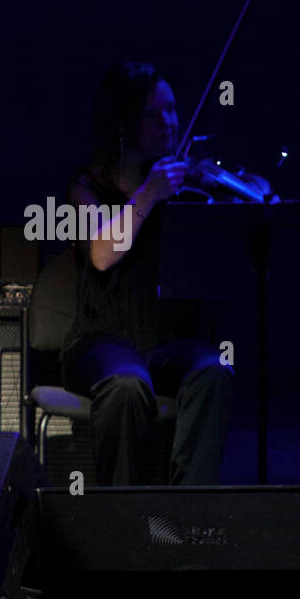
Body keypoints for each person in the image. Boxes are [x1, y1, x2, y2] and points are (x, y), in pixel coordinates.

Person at [60, 61, 234, 486]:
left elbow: (259, 193)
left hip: (167, 342)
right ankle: (126, 522)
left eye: (173, 110)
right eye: (154, 113)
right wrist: (148, 195)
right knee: (126, 385)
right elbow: (102, 254)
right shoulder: (86, 187)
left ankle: (189, 517)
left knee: (214, 371)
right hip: (102, 340)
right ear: (122, 123)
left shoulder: (182, 186)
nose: (169, 122)